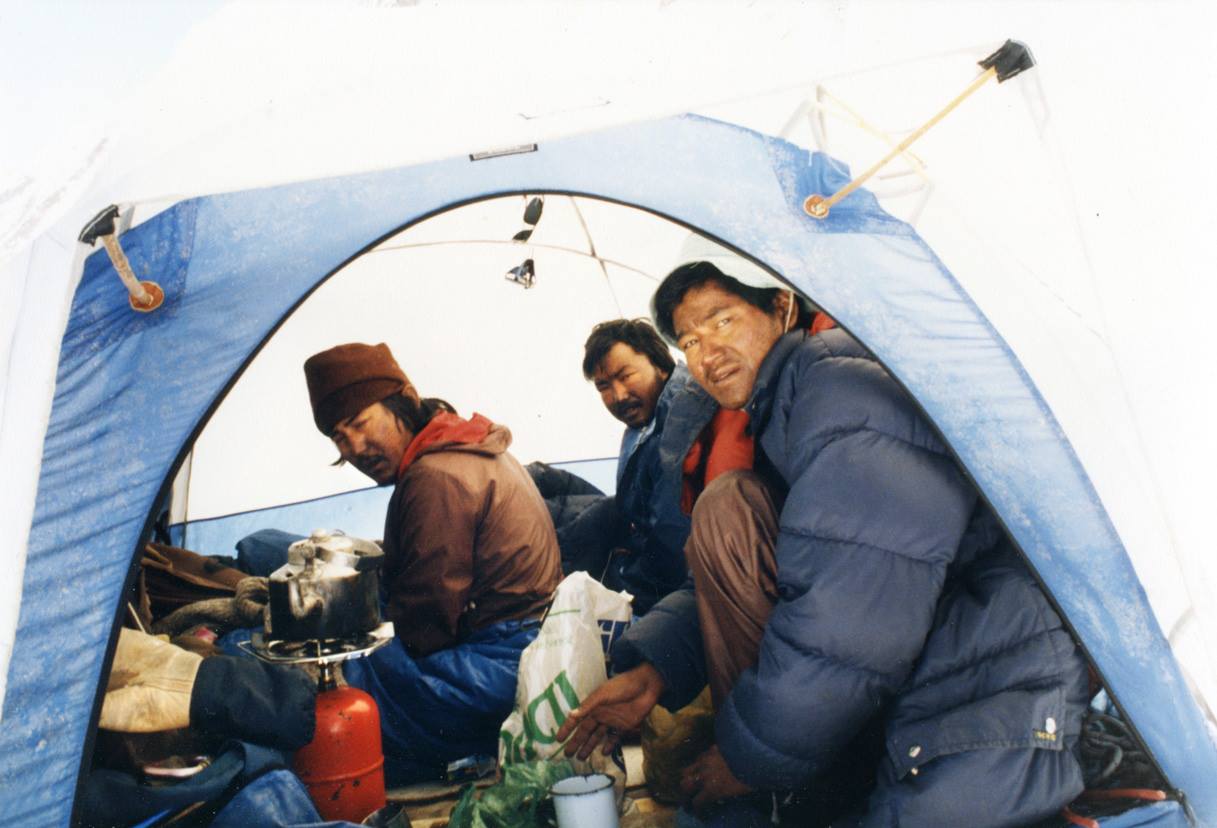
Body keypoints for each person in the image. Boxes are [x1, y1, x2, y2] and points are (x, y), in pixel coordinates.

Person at [557, 263, 1089, 826]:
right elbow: (799, 567)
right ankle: (788, 785)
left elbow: (848, 619)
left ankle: (785, 791)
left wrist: (746, 762)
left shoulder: (838, 393)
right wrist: (656, 671)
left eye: (722, 320)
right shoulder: (778, 413)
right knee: (729, 505)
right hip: (907, 646)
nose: (706, 353)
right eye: (690, 340)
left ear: (781, 306)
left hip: (986, 653)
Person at [303, 342, 562, 783]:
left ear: (402, 400)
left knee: (335, 680)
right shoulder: (463, 446)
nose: (355, 447)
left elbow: (426, 631)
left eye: (360, 424)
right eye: (338, 438)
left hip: (500, 668)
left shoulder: (435, 477)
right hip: (534, 650)